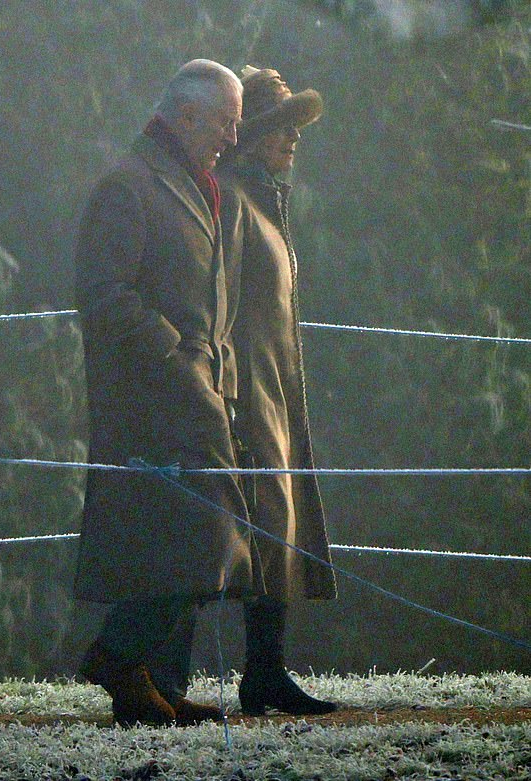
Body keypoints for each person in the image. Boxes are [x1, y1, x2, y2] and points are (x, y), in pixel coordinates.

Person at [74, 60, 260, 727]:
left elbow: (214, 306)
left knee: (189, 539)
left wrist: (221, 380)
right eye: (223, 122)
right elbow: (104, 295)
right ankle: (118, 656)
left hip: (201, 397)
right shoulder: (128, 184)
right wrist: (175, 358)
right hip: (151, 404)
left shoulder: (201, 186)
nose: (231, 138)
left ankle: (157, 687)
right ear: (185, 116)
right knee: (201, 536)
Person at [219, 66, 338, 716]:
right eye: (281, 127)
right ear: (255, 135)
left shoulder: (265, 203)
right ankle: (252, 671)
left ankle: (266, 669)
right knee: (258, 527)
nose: (293, 139)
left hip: (275, 389)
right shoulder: (235, 202)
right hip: (247, 390)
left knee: (277, 526)